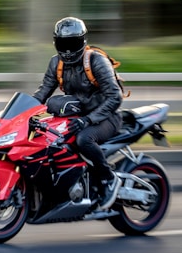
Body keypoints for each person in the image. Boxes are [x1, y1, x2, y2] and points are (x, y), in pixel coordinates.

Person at [33, 16, 123, 210]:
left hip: (106, 117)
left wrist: (88, 120)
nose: (67, 49)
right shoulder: (56, 63)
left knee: (84, 140)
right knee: (48, 139)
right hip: (78, 117)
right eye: (62, 43)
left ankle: (109, 179)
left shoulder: (96, 61)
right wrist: (19, 113)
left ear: (82, 41)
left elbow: (115, 97)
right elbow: (42, 92)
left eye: (72, 43)